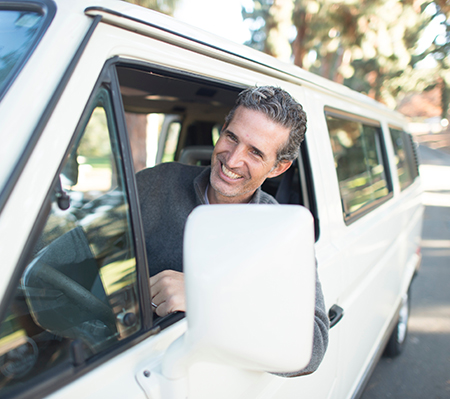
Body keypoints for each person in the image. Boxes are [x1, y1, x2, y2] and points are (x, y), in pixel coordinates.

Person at [136, 86, 329, 376]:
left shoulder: (282, 233)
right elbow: (72, 253)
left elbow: (312, 347)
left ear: (279, 167)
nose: (233, 159)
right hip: (124, 362)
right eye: (231, 137)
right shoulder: (158, 183)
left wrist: (207, 299)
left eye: (255, 152)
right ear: (223, 128)